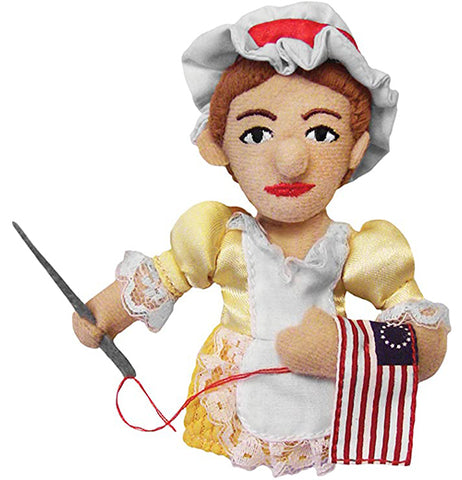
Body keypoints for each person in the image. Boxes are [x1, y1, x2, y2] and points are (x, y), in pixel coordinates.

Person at [72, 3, 450, 476]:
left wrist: (338, 351)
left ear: (355, 147)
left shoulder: (361, 252)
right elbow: (165, 276)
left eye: (320, 132)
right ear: (218, 146)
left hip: (328, 409)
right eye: (255, 134)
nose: (291, 161)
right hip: (236, 402)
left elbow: (419, 338)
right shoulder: (218, 237)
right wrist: (103, 314)